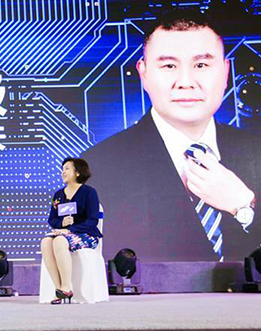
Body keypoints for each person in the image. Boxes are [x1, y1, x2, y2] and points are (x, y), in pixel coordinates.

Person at [83, 9, 261, 262]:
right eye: (169, 66)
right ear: (144, 74)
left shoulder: (256, 151)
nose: (186, 82)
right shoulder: (97, 167)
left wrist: (244, 206)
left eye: (201, 65)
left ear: (225, 73)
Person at [41, 157, 102, 304]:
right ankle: (59, 289)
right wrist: (61, 223)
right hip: (63, 234)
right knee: (46, 242)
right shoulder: (58, 195)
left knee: (59, 241)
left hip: (86, 235)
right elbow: (52, 220)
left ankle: (66, 286)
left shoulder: (89, 192)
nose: (63, 172)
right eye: (62, 169)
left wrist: (71, 230)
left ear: (78, 173)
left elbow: (92, 220)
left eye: (67, 169)